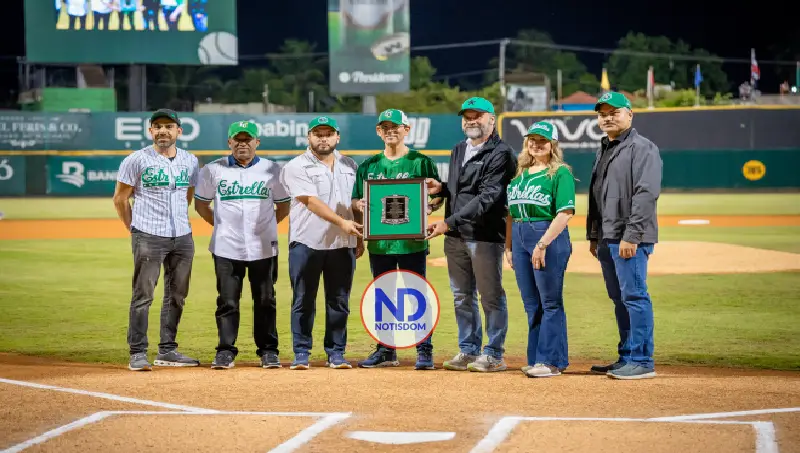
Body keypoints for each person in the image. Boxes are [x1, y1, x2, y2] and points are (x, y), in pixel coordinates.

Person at [425, 97, 517, 372]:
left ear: (492, 119)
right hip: (456, 236)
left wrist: (448, 222)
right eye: (467, 116)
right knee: (461, 296)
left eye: (477, 116)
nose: (471, 120)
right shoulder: (458, 150)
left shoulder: (501, 153)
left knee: (490, 296)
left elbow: (488, 197)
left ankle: (494, 353)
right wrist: (441, 188)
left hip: (484, 235)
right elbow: (460, 190)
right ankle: (468, 349)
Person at [194, 121, 291, 370]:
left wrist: (268, 225)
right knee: (227, 301)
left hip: (263, 247)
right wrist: (221, 225)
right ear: (229, 142)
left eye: (248, 139)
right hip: (226, 247)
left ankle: (268, 350)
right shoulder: (213, 169)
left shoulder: (273, 170)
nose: (242, 143)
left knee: (266, 299)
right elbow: (201, 205)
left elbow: (284, 205)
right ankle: (225, 350)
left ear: (257, 142)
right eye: (237, 139)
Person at [351, 109, 441, 371]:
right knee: (384, 295)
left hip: (412, 240)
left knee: (417, 295)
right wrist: (361, 204)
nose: (391, 131)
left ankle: (424, 349)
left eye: (396, 127)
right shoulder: (369, 166)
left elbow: (437, 196)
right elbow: (356, 199)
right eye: (385, 127)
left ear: (406, 130)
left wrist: (429, 208)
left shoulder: (420, 161)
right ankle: (386, 350)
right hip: (380, 241)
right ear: (379, 131)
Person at [112, 108, 201, 372]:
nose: (163, 130)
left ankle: (168, 350)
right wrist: (135, 228)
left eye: (169, 126)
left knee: (177, 295)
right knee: (143, 296)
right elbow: (120, 198)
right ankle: (137, 352)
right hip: (149, 234)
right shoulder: (136, 160)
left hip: (182, 236)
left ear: (179, 131)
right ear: (150, 131)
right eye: (158, 126)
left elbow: (188, 195)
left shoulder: (190, 161)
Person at [587, 91, 662, 380]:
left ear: (629, 114)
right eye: (602, 113)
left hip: (628, 237)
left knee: (634, 296)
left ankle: (642, 360)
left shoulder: (643, 148)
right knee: (619, 298)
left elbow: (646, 193)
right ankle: (627, 356)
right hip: (607, 236)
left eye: (613, 112)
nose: (607, 117)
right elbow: (597, 197)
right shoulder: (605, 147)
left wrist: (632, 235)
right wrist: (594, 235)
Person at [279, 116, 362, 370]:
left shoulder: (350, 165)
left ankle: (336, 352)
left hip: (342, 243)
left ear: (337, 137)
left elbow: (355, 202)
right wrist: (342, 222)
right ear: (309, 137)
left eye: (328, 133)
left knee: (339, 301)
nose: (323, 138)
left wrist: (360, 235)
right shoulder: (297, 166)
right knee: (303, 299)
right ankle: (301, 352)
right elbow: (311, 202)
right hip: (307, 242)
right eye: (318, 133)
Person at [504, 121, 575, 378]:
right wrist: (509, 246)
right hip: (521, 235)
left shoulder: (560, 173)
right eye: (532, 139)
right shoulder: (520, 174)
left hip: (547, 235)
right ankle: (536, 359)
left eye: (542, 140)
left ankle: (552, 361)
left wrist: (543, 243)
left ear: (553, 145)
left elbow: (565, 212)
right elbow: (510, 215)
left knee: (550, 302)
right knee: (532, 304)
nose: (536, 144)